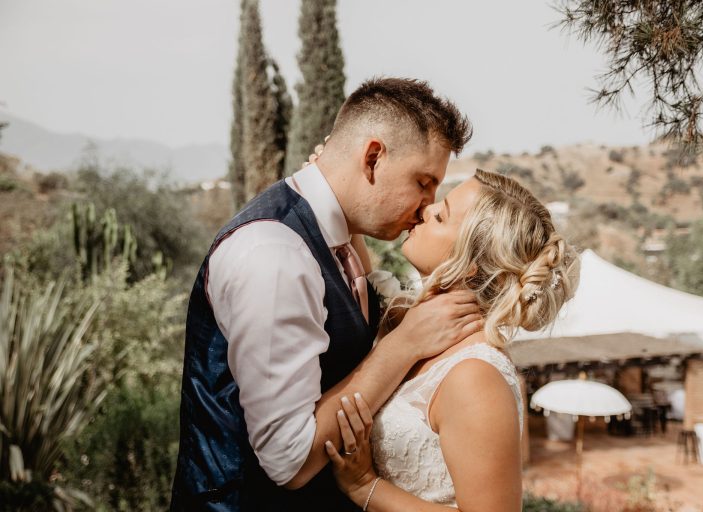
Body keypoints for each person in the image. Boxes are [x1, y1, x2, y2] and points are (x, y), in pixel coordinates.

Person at [170, 77, 479, 511]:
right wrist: (404, 345)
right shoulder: (274, 255)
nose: (428, 204)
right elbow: (288, 460)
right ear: (372, 158)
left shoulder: (336, 240)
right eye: (423, 182)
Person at [322, 169, 581, 511]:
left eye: (441, 215)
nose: (425, 210)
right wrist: (337, 180)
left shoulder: (476, 377)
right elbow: (358, 269)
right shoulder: (410, 320)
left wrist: (366, 487)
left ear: (470, 265)